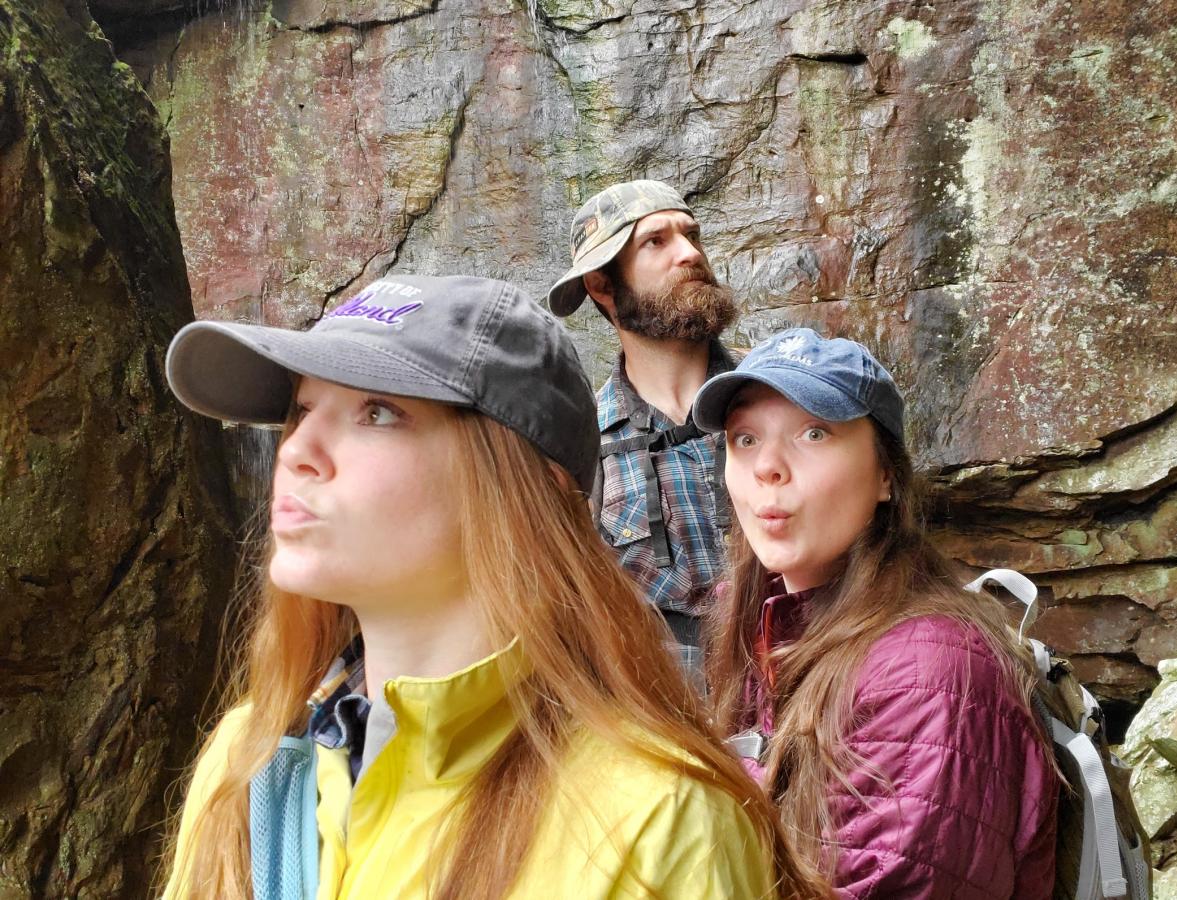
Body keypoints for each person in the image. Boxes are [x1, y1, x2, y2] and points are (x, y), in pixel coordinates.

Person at [158, 275, 830, 900]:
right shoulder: (250, 759)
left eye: (379, 413)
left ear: (521, 486)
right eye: (302, 408)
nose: (298, 448)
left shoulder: (662, 822)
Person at [692, 327, 1059, 898]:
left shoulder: (927, 678)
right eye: (744, 439)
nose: (768, 465)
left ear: (886, 475)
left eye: (814, 433)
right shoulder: (758, 619)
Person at [548, 179, 738, 670]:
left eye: (691, 235)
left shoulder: (780, 397)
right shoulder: (578, 445)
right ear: (601, 285)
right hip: (671, 715)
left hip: (814, 690)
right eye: (656, 241)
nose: (690, 254)